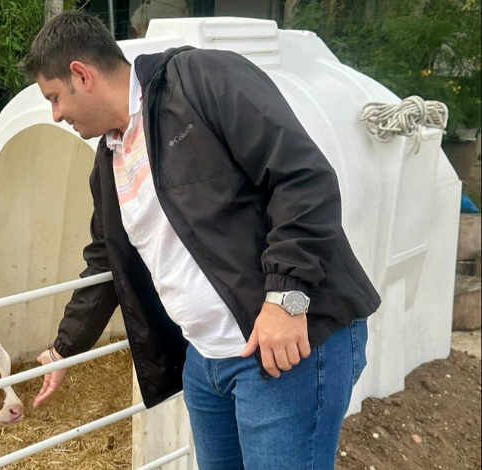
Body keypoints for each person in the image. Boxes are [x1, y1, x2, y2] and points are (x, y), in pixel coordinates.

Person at [23, 11, 381, 470]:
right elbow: (105, 261)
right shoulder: (109, 161)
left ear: (81, 75)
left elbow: (302, 178)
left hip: (282, 347)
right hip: (206, 362)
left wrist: (286, 298)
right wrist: (64, 349)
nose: (56, 115)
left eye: (54, 98)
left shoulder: (200, 80)